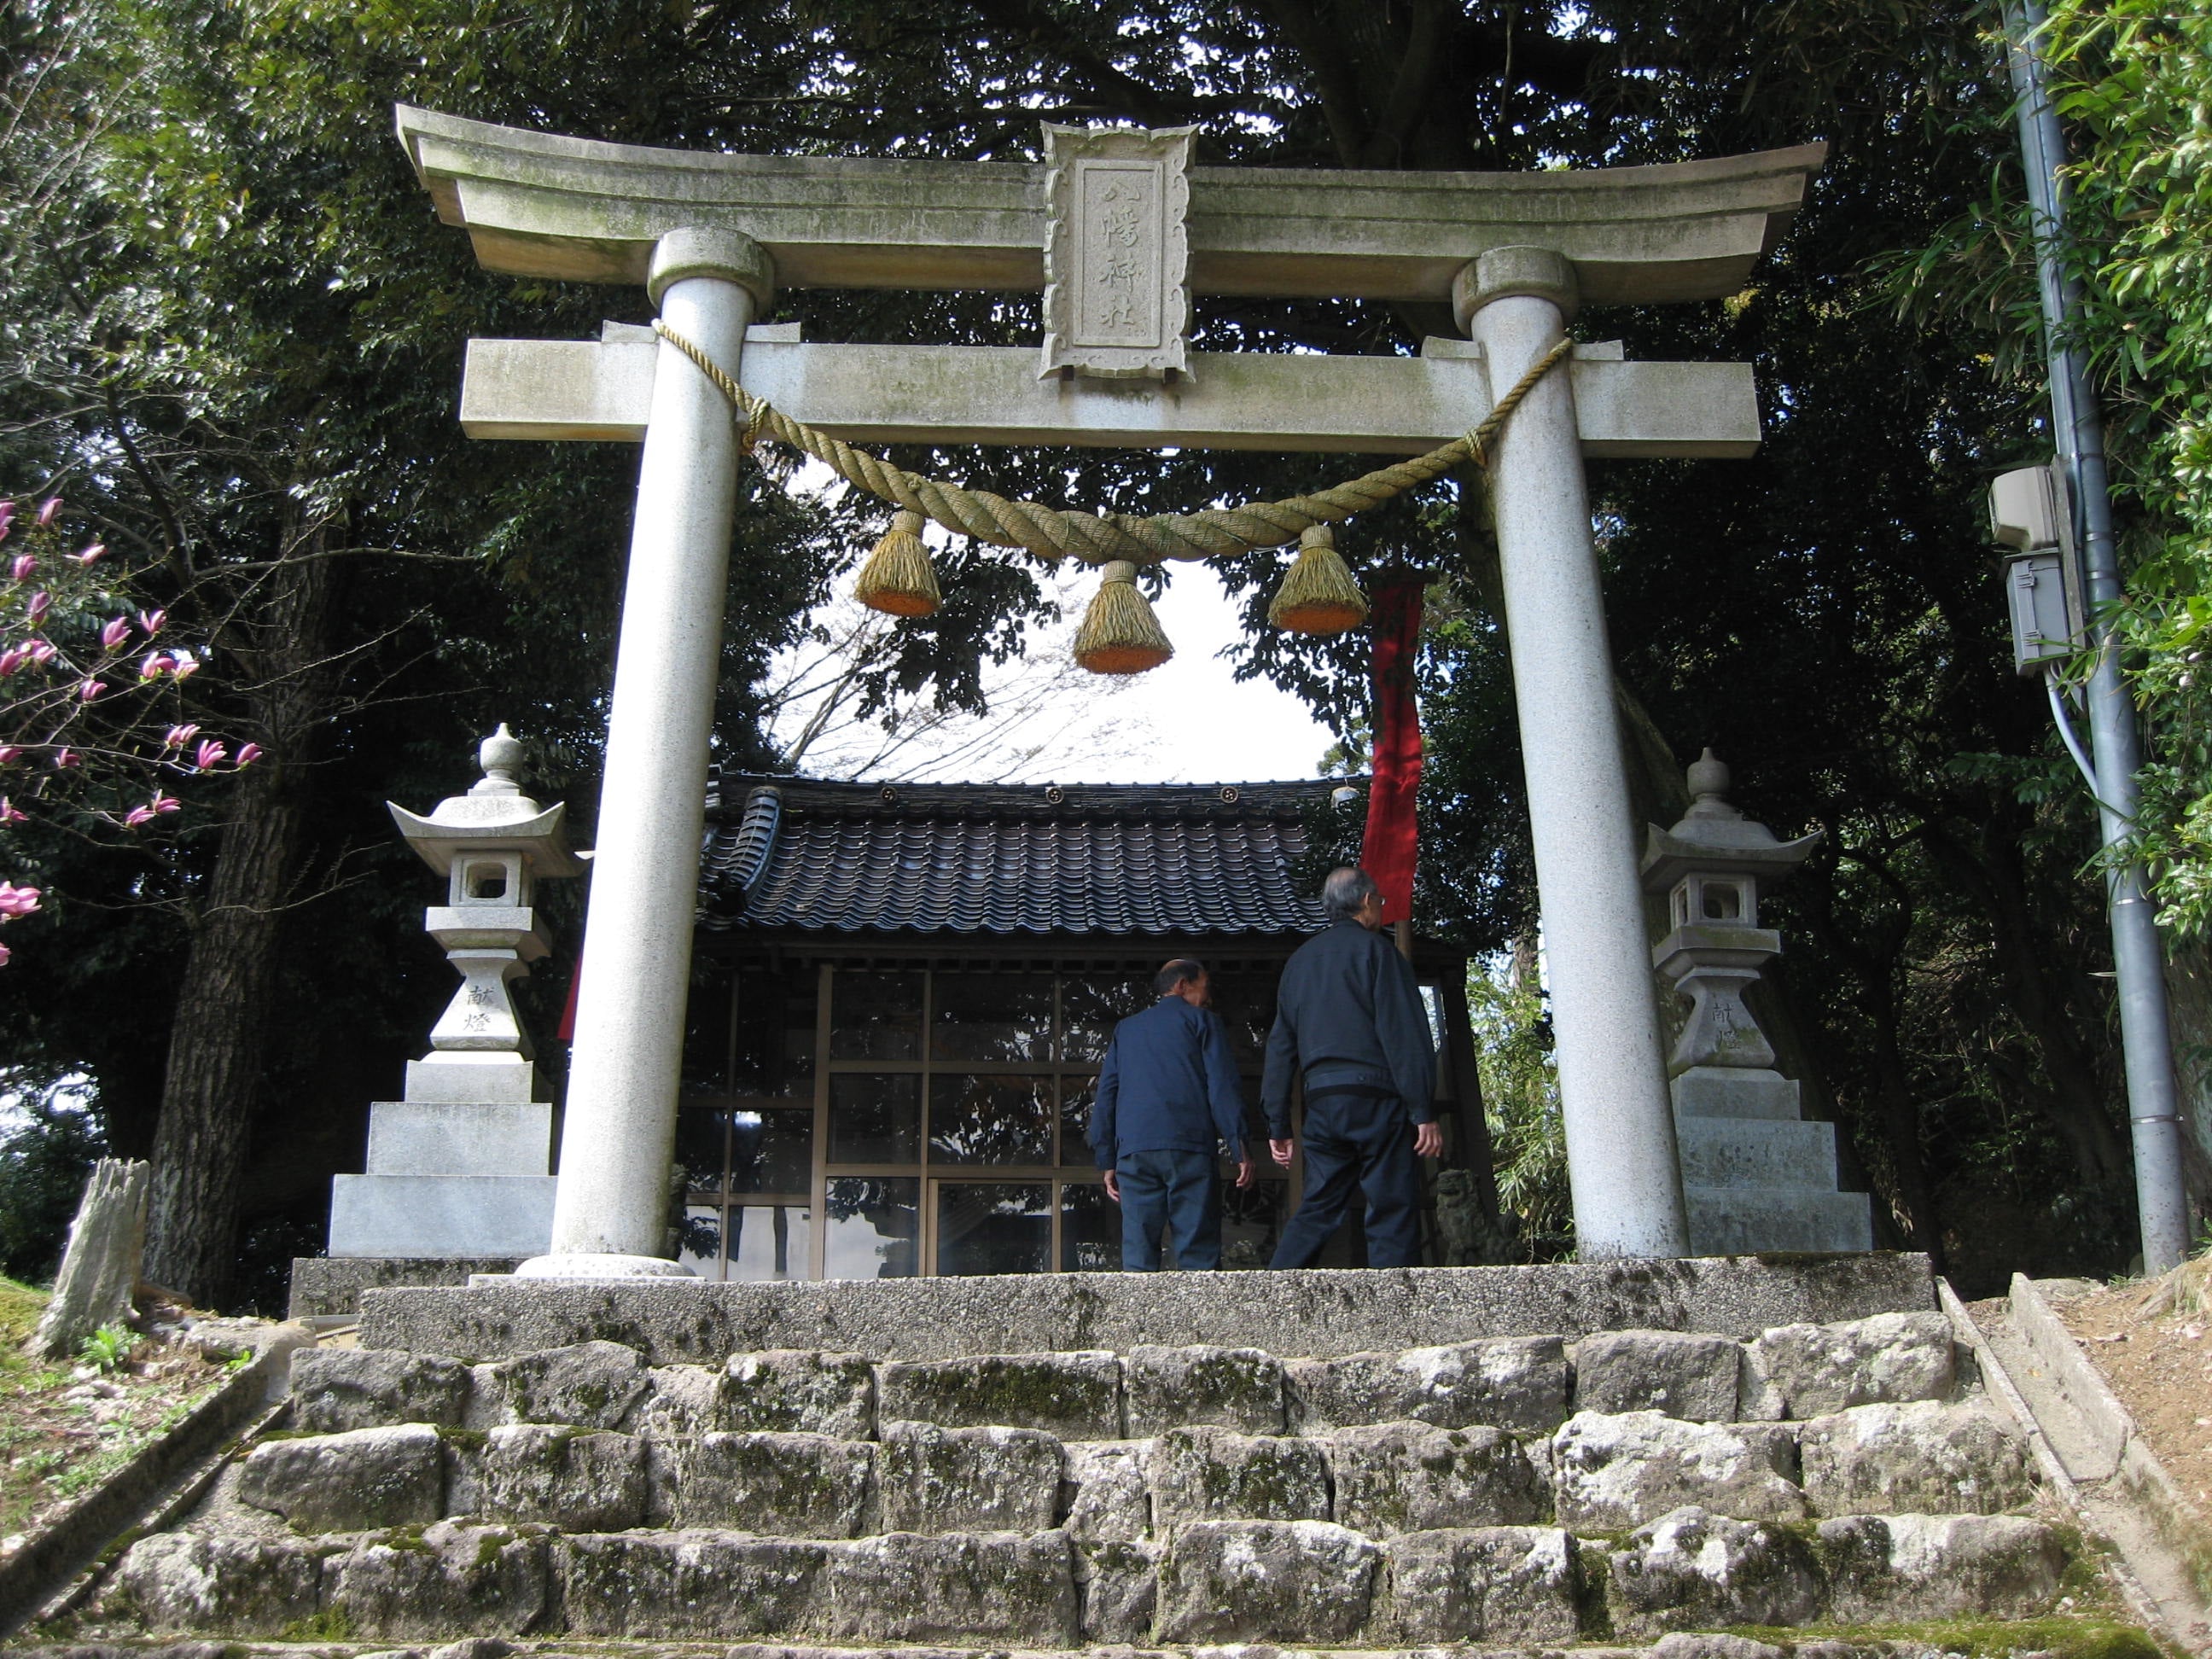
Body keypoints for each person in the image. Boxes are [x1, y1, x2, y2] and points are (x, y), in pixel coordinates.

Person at [1263, 866, 1441, 1268]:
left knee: (1319, 1204)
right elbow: (1404, 1034)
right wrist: (1422, 1111)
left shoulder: (1299, 963)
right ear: (1365, 901)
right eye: (1380, 900)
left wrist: (1277, 1124)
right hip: (1376, 1096)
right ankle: (1394, 1297)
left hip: (1323, 1100)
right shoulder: (1380, 953)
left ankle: (1275, 1286)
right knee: (1391, 1202)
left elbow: (1280, 1047)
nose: (1381, 907)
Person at [1091, 958, 1255, 1270]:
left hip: (1134, 1150)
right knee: (1198, 1254)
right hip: (1188, 1145)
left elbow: (1107, 1094)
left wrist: (1107, 1158)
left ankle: (1137, 1303)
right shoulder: (1203, 1021)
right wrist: (1239, 1146)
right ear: (1182, 985)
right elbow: (1222, 1086)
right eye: (1205, 988)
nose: (1208, 998)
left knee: (1138, 1252)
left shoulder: (1126, 1029)